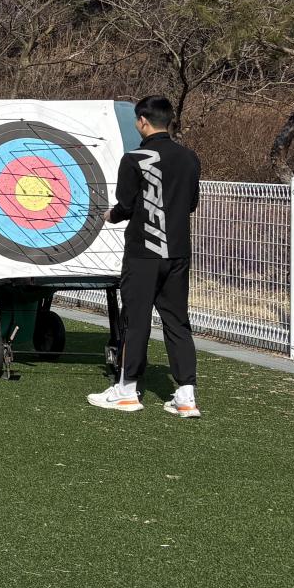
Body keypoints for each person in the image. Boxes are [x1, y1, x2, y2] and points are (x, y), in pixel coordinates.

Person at [89, 95, 202, 417]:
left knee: (135, 321)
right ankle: (186, 397)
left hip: (143, 254)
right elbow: (191, 203)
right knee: (177, 322)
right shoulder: (189, 158)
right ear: (170, 121)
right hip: (178, 252)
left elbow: (125, 206)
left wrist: (111, 215)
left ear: (142, 121)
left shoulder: (134, 158)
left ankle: (127, 390)